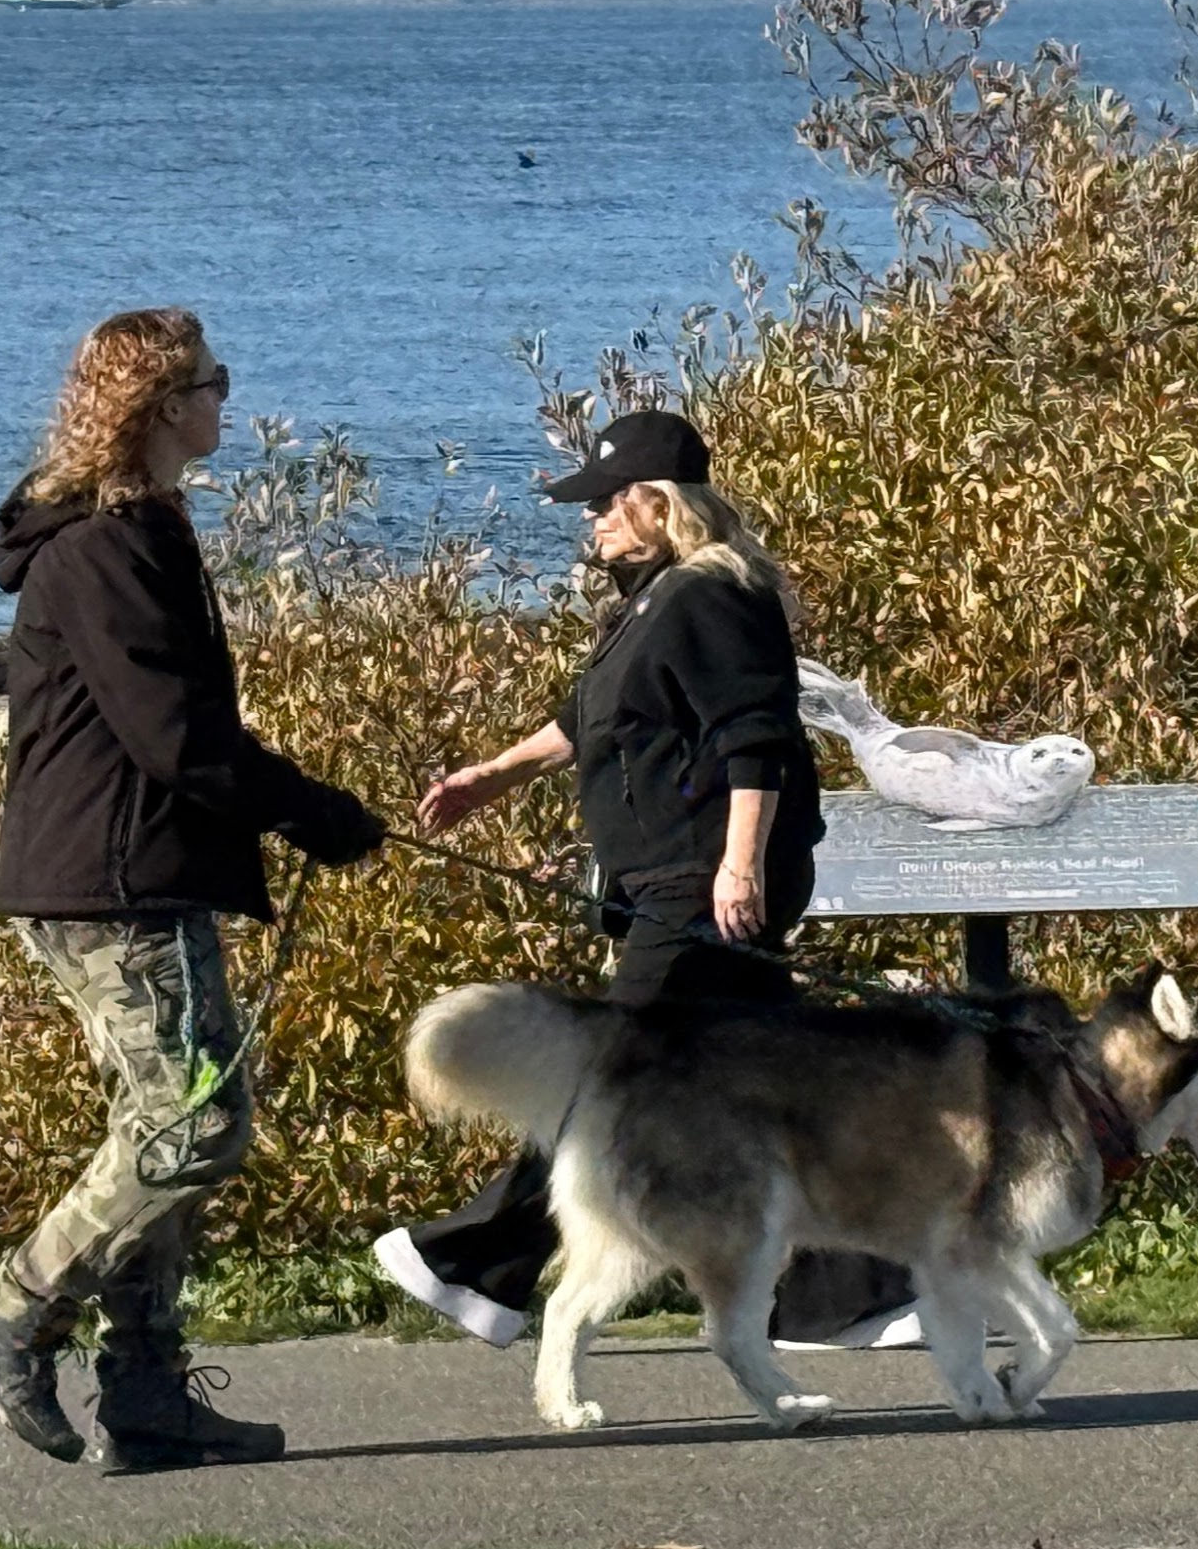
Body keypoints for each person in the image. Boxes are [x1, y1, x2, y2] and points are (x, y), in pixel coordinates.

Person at [0, 307, 387, 1473]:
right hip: (112, 878)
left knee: (162, 1125)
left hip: (125, 870)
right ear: (157, 406)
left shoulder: (134, 527)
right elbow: (175, 735)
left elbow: (177, 733)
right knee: (193, 1127)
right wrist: (309, 808)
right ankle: (8, 1313)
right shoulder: (104, 543)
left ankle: (144, 1389)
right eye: (210, 382)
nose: (223, 398)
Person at [372, 408, 914, 1348]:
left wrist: (739, 864)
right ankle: (847, 1294)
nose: (590, 524)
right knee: (774, 1092)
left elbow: (756, 736)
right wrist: (488, 777)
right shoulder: (653, 598)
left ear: (657, 506)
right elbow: (592, 718)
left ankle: (479, 1262)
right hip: (673, 881)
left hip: (701, 885)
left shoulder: (714, 594)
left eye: (604, 508)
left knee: (609, 1079)